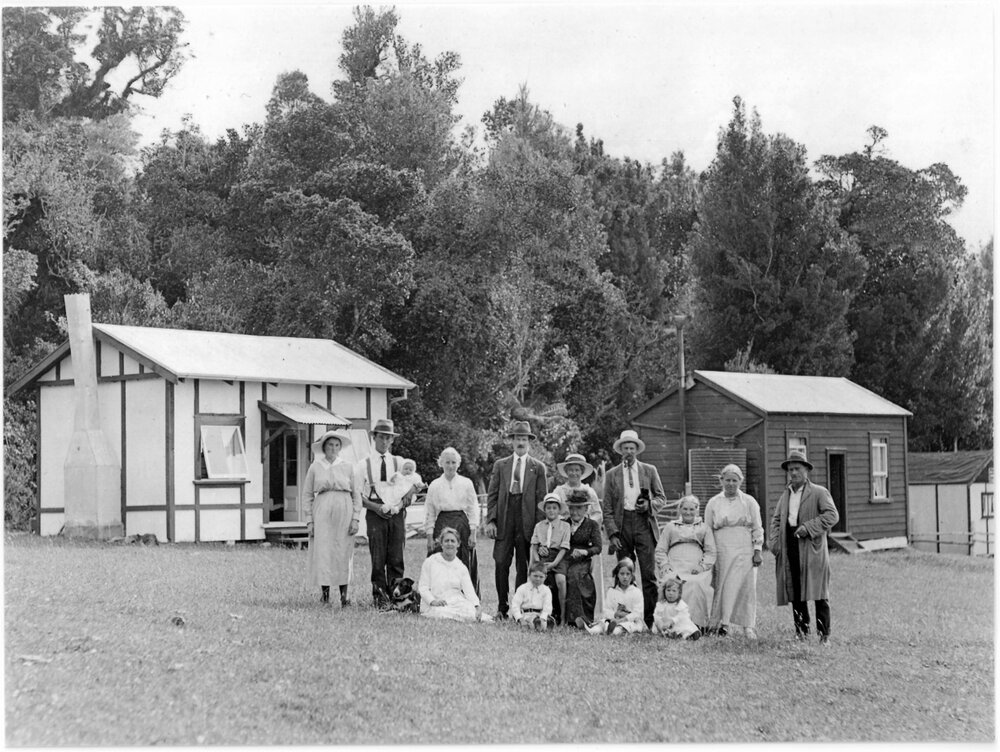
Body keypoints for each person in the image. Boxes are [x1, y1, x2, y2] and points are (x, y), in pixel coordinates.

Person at [767, 450, 840, 644]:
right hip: (789, 544)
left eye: (797, 469)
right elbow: (776, 520)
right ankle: (801, 633)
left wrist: (808, 528)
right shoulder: (786, 494)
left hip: (811, 546)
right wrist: (774, 542)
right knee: (796, 590)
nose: (793, 473)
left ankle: (824, 636)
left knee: (818, 592)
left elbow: (832, 516)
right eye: (790, 469)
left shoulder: (818, 492)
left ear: (806, 470)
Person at [601, 429, 666, 628]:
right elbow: (608, 507)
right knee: (624, 572)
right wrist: (612, 533)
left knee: (648, 573)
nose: (629, 451)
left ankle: (650, 620)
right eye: (625, 448)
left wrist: (649, 506)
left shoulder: (649, 470)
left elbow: (661, 498)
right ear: (620, 450)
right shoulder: (612, 475)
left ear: (637, 450)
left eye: (632, 448)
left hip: (643, 523)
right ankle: (626, 619)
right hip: (622, 525)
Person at [484, 420, 548, 620]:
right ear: (511, 441)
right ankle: (502, 607)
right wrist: (491, 521)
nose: (521, 442)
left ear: (529, 442)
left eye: (524, 439)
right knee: (501, 562)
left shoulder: (538, 468)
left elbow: (542, 501)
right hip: (504, 516)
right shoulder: (501, 465)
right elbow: (492, 495)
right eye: (517, 438)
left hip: (527, 519)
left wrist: (539, 530)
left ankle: (518, 609)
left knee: (523, 564)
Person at [359, 418, 414, 608]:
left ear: (392, 440)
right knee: (378, 557)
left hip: (397, 513)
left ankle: (398, 598)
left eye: (388, 438)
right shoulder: (363, 464)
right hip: (375, 513)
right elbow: (357, 495)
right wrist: (376, 508)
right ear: (374, 437)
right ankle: (380, 597)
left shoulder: (400, 463)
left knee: (396, 556)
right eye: (381, 437)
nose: (384, 442)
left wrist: (400, 504)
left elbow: (411, 488)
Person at [703, 464, 763, 638]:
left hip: (745, 547)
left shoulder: (750, 501)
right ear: (721, 480)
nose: (730, 484)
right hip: (722, 547)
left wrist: (757, 549)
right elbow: (707, 529)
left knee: (746, 586)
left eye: (734, 480)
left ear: (740, 482)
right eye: (727, 480)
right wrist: (709, 552)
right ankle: (723, 623)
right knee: (723, 584)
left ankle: (748, 625)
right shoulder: (714, 502)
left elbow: (758, 527)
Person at [303, 429, 361, 607]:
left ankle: (344, 596)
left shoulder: (348, 466)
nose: (333, 448)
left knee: (342, 550)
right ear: (324, 447)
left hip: (344, 508)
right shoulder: (316, 466)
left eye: (336, 445)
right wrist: (310, 520)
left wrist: (355, 518)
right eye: (330, 445)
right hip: (323, 509)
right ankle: (325, 595)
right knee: (324, 550)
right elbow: (307, 494)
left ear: (340, 448)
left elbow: (356, 493)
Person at [654, 495, 716, 632]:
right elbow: (660, 550)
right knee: (672, 582)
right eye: (685, 509)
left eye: (692, 509)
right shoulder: (671, 527)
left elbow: (711, 552)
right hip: (674, 563)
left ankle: (696, 624)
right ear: (680, 509)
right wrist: (664, 564)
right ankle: (669, 625)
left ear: (697, 510)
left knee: (695, 585)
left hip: (695, 565)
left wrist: (702, 566)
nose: (688, 512)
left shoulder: (704, 528)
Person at [424, 447, 480, 595]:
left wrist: (473, 532)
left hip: (462, 524)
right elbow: (429, 512)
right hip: (441, 523)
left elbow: (473, 507)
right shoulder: (435, 485)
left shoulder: (466, 483)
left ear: (458, 464)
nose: (450, 466)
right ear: (441, 463)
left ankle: (467, 597)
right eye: (447, 462)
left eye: (453, 462)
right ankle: (438, 596)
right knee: (439, 560)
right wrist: (430, 537)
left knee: (464, 561)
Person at [418, 528, 485, 622]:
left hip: (455, 601)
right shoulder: (430, 562)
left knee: (471, 613)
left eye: (453, 541)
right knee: (440, 613)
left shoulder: (461, 567)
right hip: (435, 602)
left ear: (458, 544)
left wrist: (477, 606)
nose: (449, 544)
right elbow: (423, 587)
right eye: (446, 541)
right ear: (441, 544)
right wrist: (433, 601)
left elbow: (469, 590)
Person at [562, 487, 603, 629]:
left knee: (575, 575)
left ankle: (580, 618)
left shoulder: (592, 525)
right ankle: (558, 616)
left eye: (579, 508)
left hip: (582, 560)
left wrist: (584, 552)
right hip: (564, 557)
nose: (575, 512)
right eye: (572, 508)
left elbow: (598, 547)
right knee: (556, 576)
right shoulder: (564, 523)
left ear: (586, 509)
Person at [530, 493, 571, 623]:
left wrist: (554, 564)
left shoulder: (565, 526)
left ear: (559, 510)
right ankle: (540, 614)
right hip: (542, 556)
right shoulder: (539, 526)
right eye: (548, 508)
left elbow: (564, 548)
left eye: (554, 508)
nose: (551, 510)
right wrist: (537, 561)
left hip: (558, 557)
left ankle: (563, 615)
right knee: (538, 578)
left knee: (560, 580)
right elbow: (534, 546)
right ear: (545, 510)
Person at [581, 557, 646, 635]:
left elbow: (638, 613)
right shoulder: (612, 591)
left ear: (632, 576)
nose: (625, 577)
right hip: (613, 620)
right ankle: (592, 630)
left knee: (621, 628)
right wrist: (615, 614)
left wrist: (624, 618)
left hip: (631, 622)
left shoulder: (636, 592)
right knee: (603, 623)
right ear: (617, 575)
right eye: (622, 574)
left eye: (628, 574)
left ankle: (613, 631)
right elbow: (606, 610)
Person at [510, 562, 553, 630]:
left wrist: (543, 618)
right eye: (535, 576)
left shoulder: (546, 590)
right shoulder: (522, 588)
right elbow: (515, 605)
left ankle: (542, 623)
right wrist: (520, 618)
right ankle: (534, 624)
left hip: (540, 615)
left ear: (545, 577)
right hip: (525, 615)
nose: (538, 579)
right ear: (529, 575)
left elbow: (547, 607)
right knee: (528, 624)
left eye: (541, 577)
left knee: (543, 621)